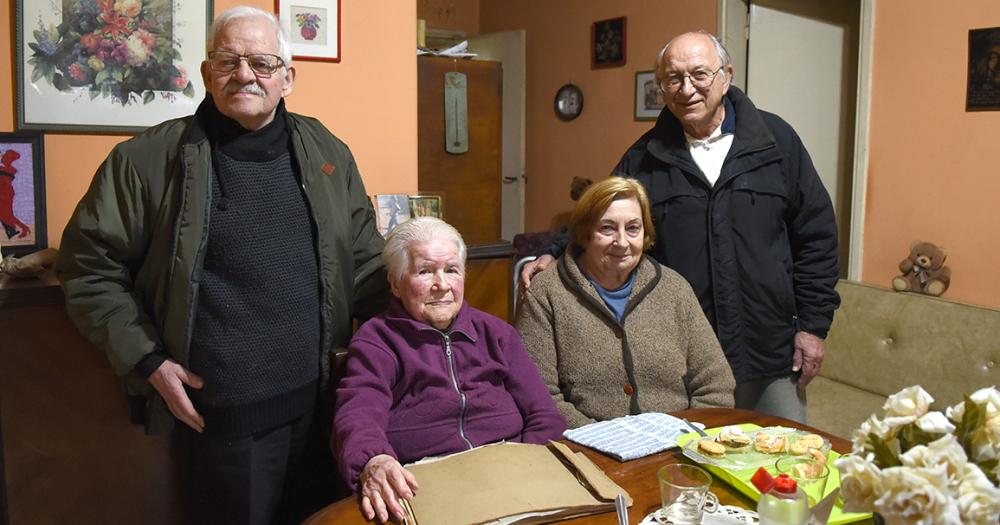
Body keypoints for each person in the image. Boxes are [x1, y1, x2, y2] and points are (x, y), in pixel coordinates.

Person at [55, 6, 387, 524]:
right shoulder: (146, 161)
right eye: (228, 61)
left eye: (261, 61)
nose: (246, 74)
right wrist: (146, 362)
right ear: (207, 74)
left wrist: (434, 302)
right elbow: (87, 268)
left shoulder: (328, 153)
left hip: (322, 410)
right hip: (225, 426)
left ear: (288, 77)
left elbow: (366, 263)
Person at [520, 31, 839, 424]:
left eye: (700, 75)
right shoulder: (645, 157)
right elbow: (604, 215)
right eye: (673, 78)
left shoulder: (777, 142)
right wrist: (553, 250)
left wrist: (813, 326)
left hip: (769, 348)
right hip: (687, 356)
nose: (686, 89)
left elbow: (817, 237)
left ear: (726, 76)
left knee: (784, 466)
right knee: (697, 469)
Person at [332, 217, 566, 524]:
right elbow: (358, 414)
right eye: (425, 271)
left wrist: (525, 469)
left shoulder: (497, 333)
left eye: (451, 270)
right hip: (426, 484)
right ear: (396, 283)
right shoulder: (377, 341)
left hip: (512, 475)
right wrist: (374, 458)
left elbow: (544, 416)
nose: (441, 285)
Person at [515, 177, 735, 428]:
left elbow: (715, 385)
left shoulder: (674, 288)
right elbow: (539, 395)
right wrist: (602, 440)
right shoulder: (546, 293)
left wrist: (688, 436)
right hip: (586, 448)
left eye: (633, 228)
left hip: (679, 445)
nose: (622, 242)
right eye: (607, 228)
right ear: (584, 234)